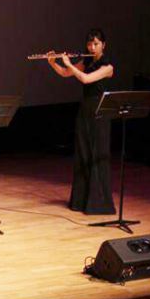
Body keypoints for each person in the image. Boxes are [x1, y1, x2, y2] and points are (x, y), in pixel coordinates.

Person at [46, 28, 116, 215]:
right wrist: (53, 63)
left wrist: (70, 63)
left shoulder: (108, 67)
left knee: (97, 154)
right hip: (85, 111)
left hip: (100, 112)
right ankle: (81, 201)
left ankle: (99, 203)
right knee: (83, 153)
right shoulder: (86, 61)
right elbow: (65, 73)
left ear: (103, 45)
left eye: (96, 44)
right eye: (90, 44)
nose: (92, 47)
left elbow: (85, 79)